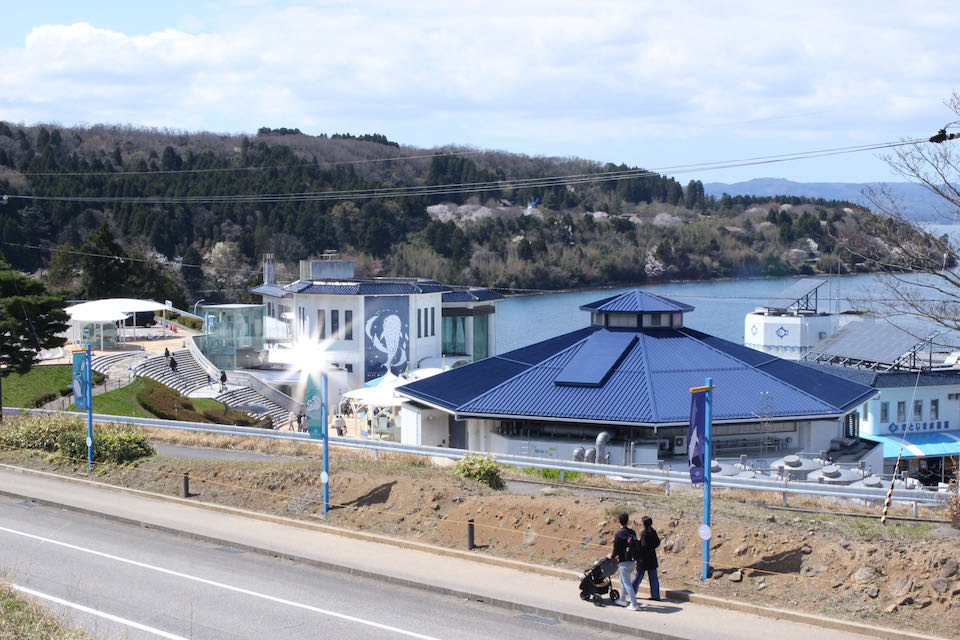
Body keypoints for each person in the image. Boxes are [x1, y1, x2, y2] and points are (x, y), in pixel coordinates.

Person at [607, 513, 640, 610]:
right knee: (622, 579)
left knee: (627, 583)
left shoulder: (619, 534)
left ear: (619, 521)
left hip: (623, 562)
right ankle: (622, 599)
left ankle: (634, 604)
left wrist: (611, 556)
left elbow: (616, 549)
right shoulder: (632, 532)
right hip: (632, 561)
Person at [632, 515, 661, 601]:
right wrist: (651, 548)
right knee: (653, 578)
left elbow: (643, 546)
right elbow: (657, 543)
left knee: (638, 576)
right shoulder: (653, 531)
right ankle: (656, 595)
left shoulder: (644, 533)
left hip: (644, 559)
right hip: (652, 557)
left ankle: (631, 592)